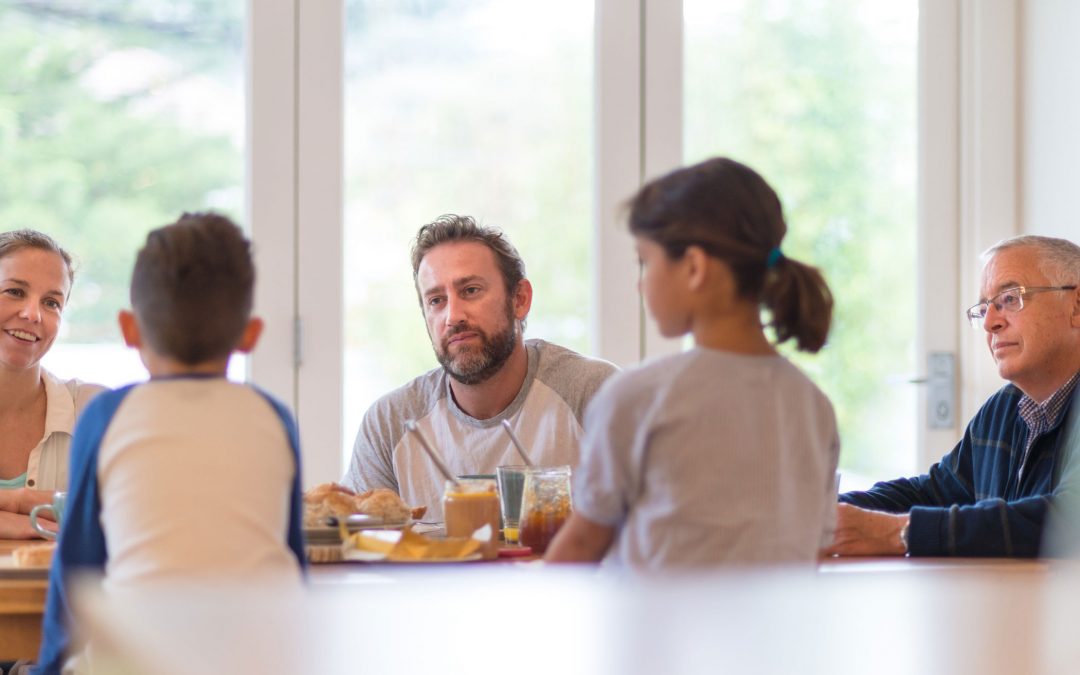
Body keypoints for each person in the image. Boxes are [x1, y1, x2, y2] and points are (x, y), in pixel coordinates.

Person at [33, 213, 306, 674]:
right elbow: (292, 564)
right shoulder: (275, 419)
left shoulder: (106, 416)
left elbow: (77, 570)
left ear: (129, 328)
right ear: (251, 334)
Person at [545, 157, 840, 572]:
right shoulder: (814, 406)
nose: (640, 282)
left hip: (655, 637)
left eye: (645, 261)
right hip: (773, 637)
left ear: (695, 267)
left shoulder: (640, 396)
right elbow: (809, 552)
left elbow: (580, 546)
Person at [343, 214, 618, 521]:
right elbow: (364, 552)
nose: (453, 316)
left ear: (520, 300)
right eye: (436, 300)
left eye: (470, 290)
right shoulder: (390, 423)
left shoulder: (596, 395)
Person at [827, 235, 1080, 558]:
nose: (991, 322)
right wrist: (831, 512)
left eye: (1010, 298)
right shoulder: (1004, 408)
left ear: (1076, 305)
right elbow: (935, 493)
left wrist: (900, 533)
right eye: (985, 308)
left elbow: (1065, 520)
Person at [0, 230, 105, 539]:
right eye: (15, 292)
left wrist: (19, 506)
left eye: (51, 302)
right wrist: (24, 524)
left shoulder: (91, 409)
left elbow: (131, 516)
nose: (33, 314)